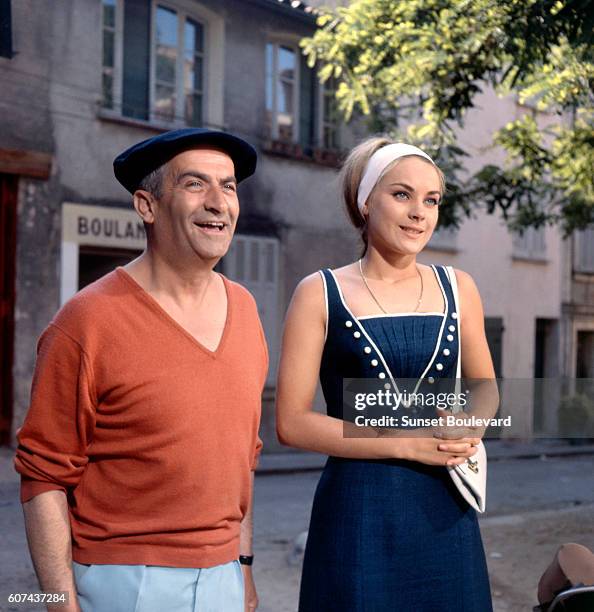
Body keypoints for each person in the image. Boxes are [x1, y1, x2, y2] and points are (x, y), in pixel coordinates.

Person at [14, 128, 268, 612]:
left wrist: (244, 565)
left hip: (224, 579)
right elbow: (43, 476)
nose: (219, 202)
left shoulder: (246, 308)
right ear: (146, 205)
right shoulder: (88, 321)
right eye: (195, 184)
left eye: (229, 186)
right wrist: (60, 605)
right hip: (125, 582)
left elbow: (242, 457)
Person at [276, 138, 496, 611]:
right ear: (364, 201)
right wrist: (404, 441)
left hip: (446, 511)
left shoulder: (460, 287)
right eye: (401, 195)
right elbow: (292, 422)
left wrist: (471, 422)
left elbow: (485, 390)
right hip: (359, 513)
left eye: (431, 200)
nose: (419, 212)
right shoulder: (318, 293)